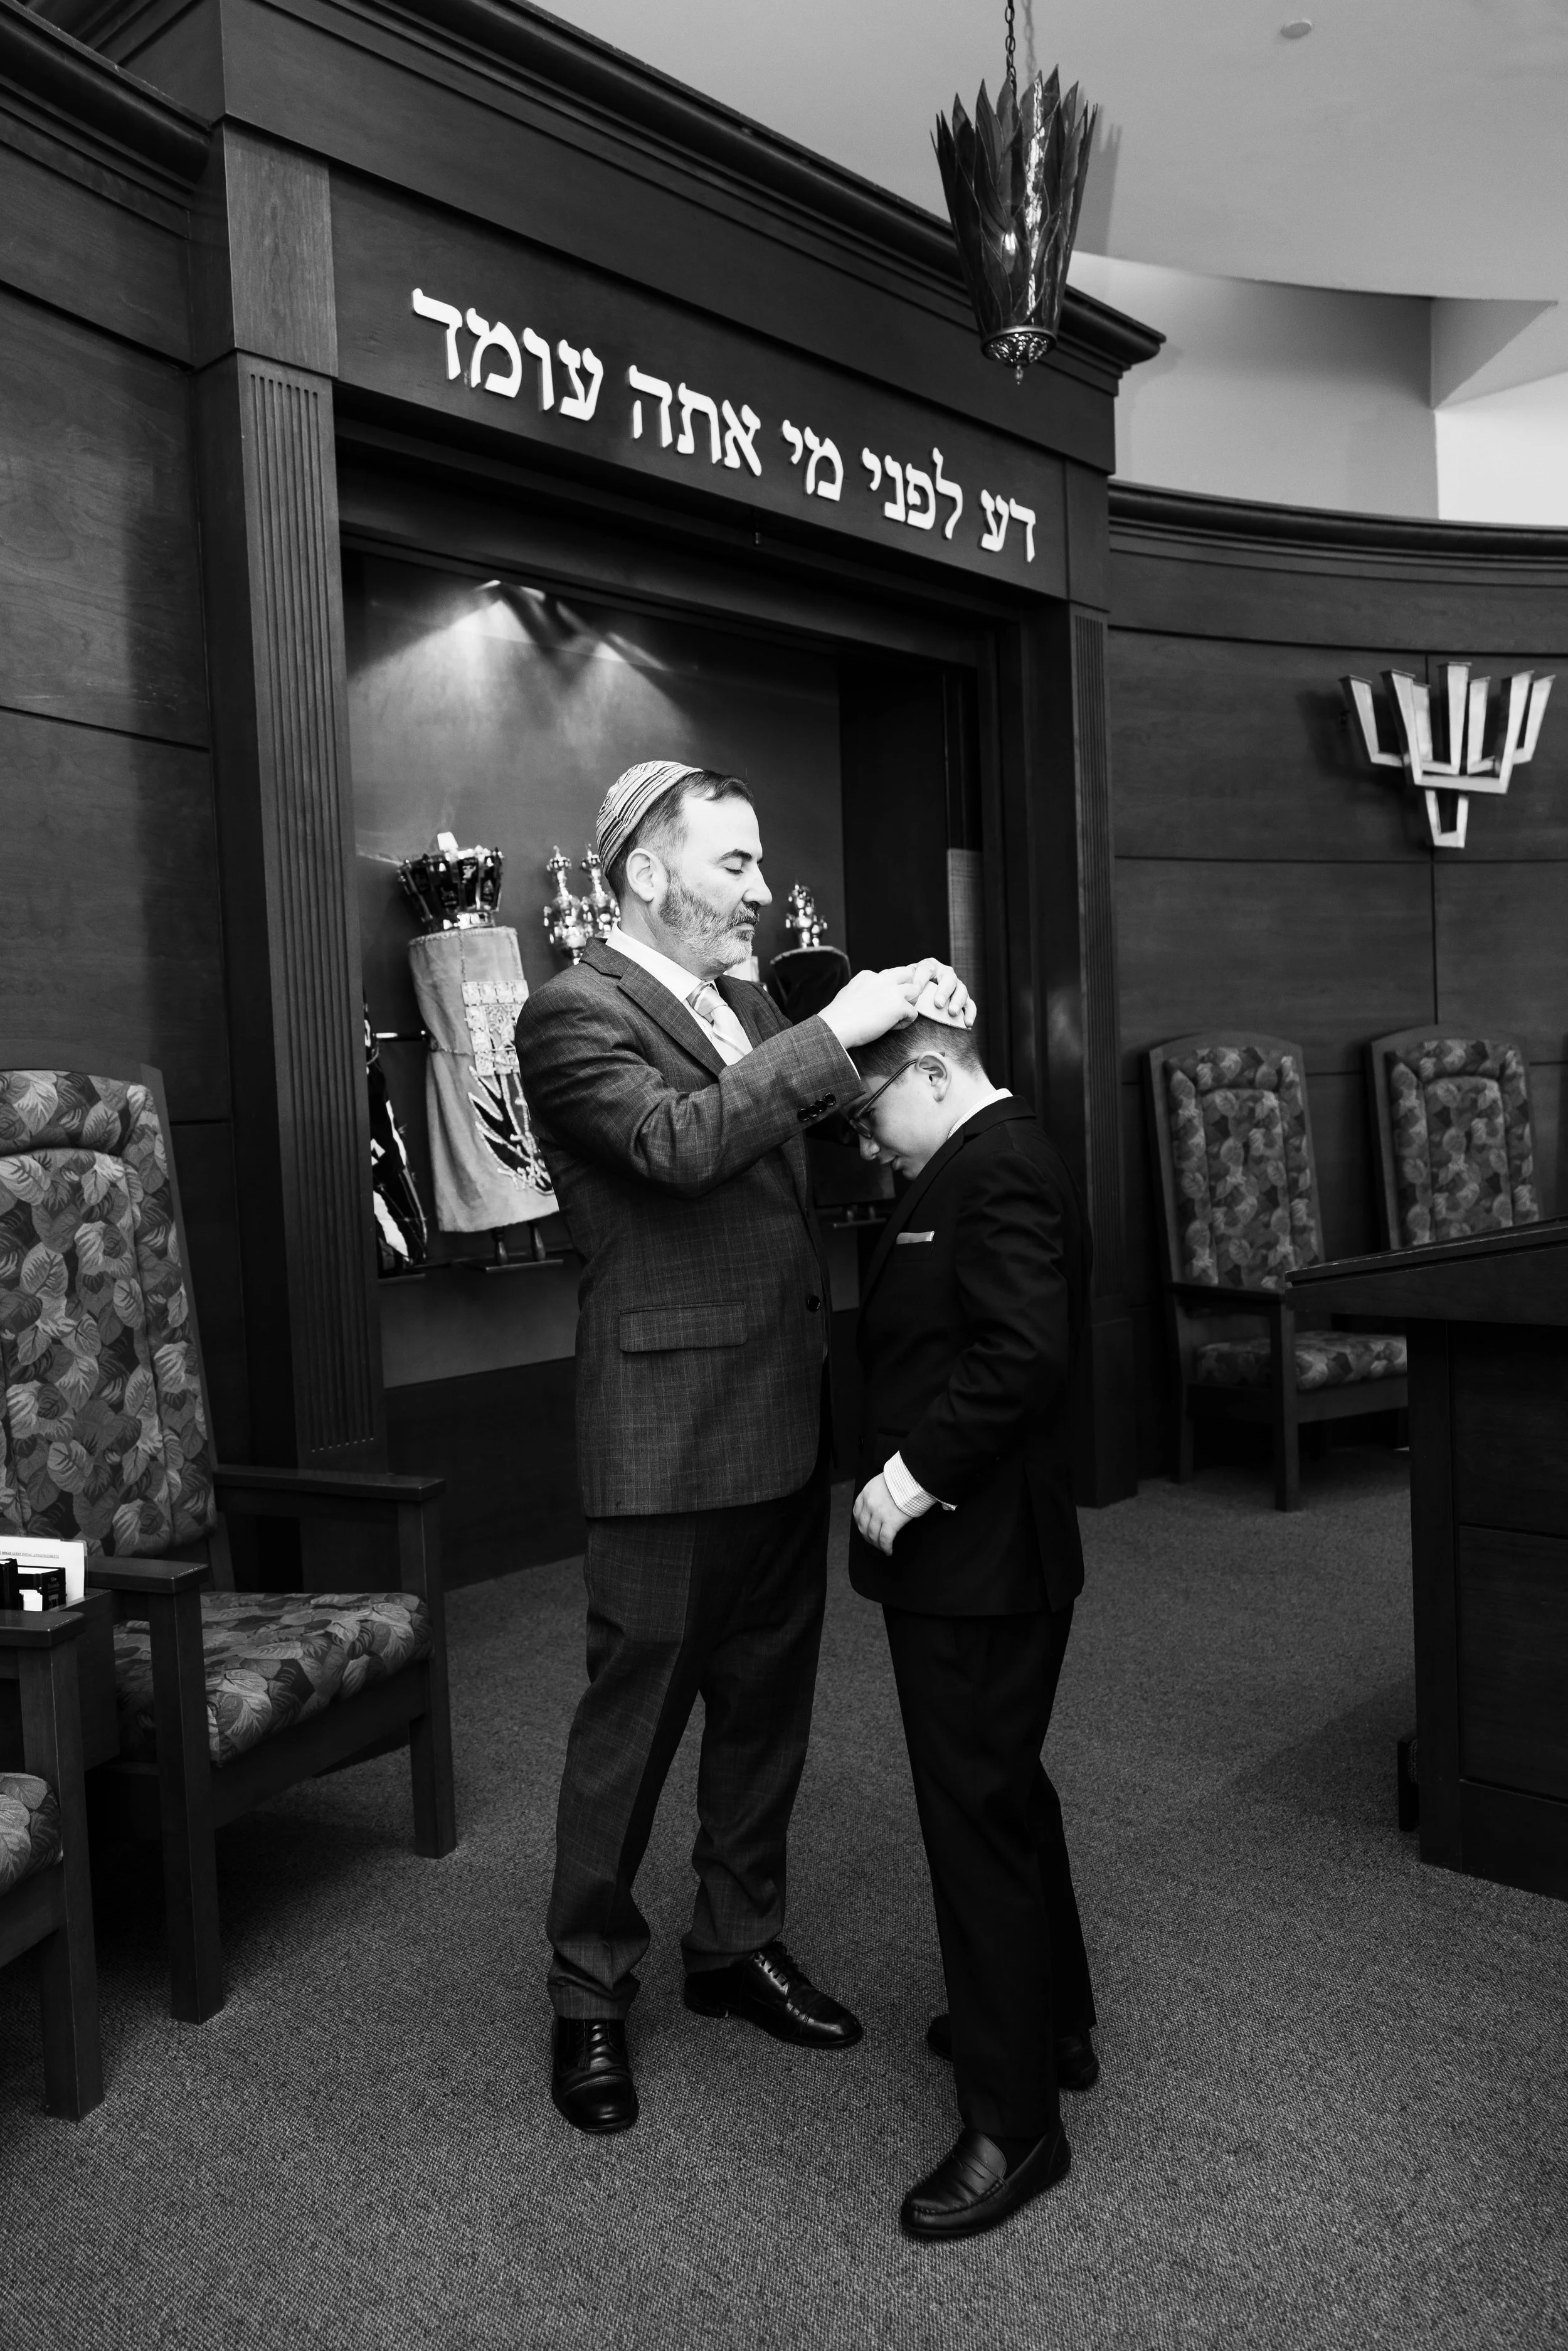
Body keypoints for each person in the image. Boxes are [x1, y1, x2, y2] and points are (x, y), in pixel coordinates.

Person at [514, 757, 973, 2136]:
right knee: (629, 1734)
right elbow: (676, 1143)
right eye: (733, 864)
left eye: (760, 862)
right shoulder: (569, 1014)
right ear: (645, 872)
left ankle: (734, 1941)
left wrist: (905, 1057)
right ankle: (588, 1994)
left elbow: (803, 1136)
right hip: (664, 1440)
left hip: (786, 1422)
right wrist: (837, 1029)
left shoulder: (750, 1004)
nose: (760, 890)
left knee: (766, 1713)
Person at [845, 1007, 1097, 2242]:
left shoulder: (993, 1164)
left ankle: (1014, 2122)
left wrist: (905, 1478)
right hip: (988, 1554)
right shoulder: (983, 1156)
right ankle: (1048, 2017)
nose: (869, 1144)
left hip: (975, 1556)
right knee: (1005, 1790)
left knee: (973, 1816)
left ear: (932, 1073)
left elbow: (1016, 1356)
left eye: (870, 1111)